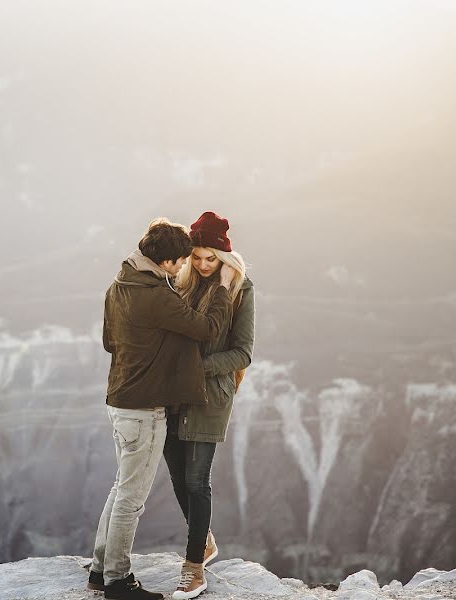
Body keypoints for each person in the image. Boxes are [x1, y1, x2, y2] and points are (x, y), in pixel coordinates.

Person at [88, 217, 236, 600]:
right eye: (184, 261)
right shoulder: (156, 294)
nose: (188, 267)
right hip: (145, 408)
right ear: (169, 262)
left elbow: (109, 341)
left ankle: (99, 570)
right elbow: (206, 330)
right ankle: (118, 582)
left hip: (119, 401)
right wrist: (221, 290)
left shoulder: (119, 284)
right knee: (132, 500)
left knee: (120, 488)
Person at [165, 211, 255, 600]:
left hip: (210, 396)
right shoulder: (181, 284)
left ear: (225, 258)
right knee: (175, 473)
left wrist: (197, 368)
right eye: (197, 256)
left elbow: (243, 353)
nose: (203, 265)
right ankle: (205, 541)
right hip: (172, 397)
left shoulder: (240, 290)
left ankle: (194, 569)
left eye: (211, 258)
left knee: (196, 480)